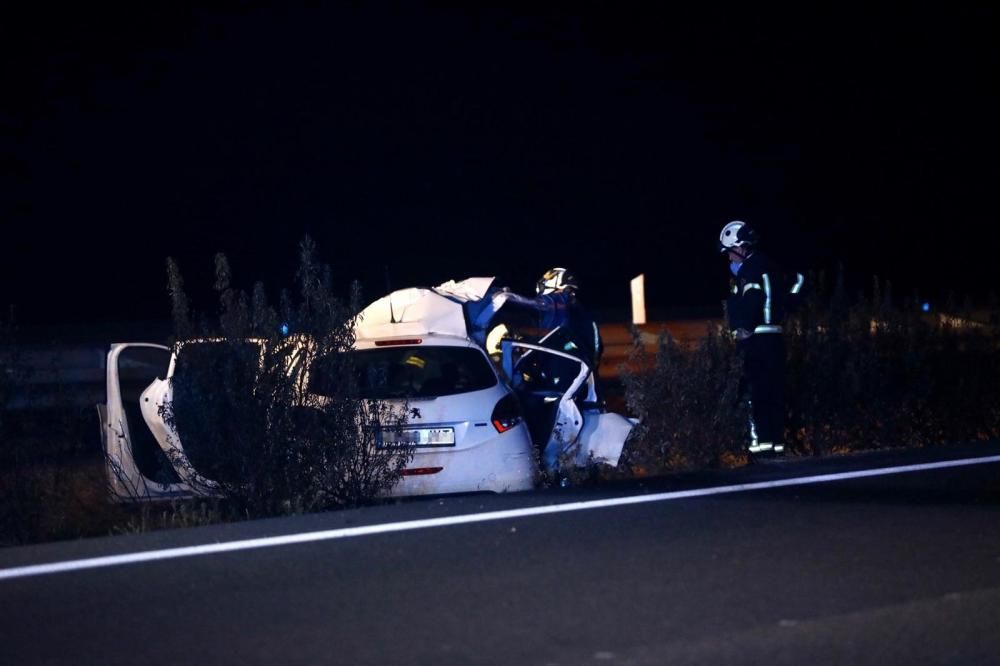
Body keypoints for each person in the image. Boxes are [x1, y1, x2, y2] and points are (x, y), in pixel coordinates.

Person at [719, 220, 803, 457]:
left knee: (756, 396)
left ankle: (762, 451)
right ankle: (775, 447)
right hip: (775, 339)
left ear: (740, 247)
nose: (729, 259)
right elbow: (797, 284)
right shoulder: (771, 266)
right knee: (774, 394)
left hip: (756, 342)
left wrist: (743, 327)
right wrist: (785, 308)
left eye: (729, 253)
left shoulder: (750, 270)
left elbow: (752, 300)